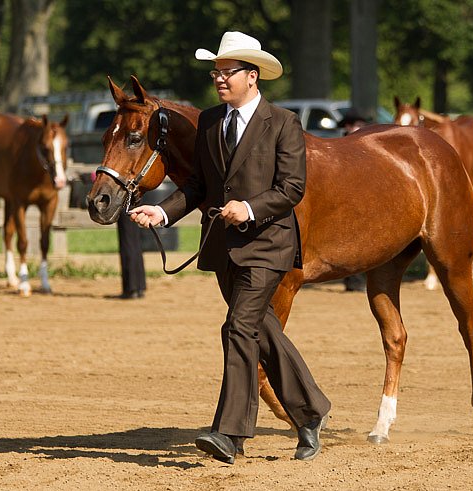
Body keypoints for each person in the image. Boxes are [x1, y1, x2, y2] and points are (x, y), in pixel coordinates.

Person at [129, 31, 331, 464]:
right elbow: (199, 185)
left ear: (252, 77)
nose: (219, 79)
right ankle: (311, 409)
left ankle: (231, 432)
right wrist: (162, 213)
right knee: (261, 330)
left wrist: (251, 208)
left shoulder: (284, 123)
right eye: (216, 72)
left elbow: (292, 188)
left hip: (269, 243)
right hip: (224, 248)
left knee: (238, 328)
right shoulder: (208, 122)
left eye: (228, 72)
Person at [337, 108, 371, 292]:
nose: (360, 128)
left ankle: (357, 279)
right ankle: (352, 280)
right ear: (348, 126)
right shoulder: (338, 145)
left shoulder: (364, 145)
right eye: (357, 125)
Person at [117, 210, 146, 299]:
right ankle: (139, 286)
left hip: (126, 202)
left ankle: (130, 288)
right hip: (135, 202)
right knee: (135, 240)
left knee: (127, 240)